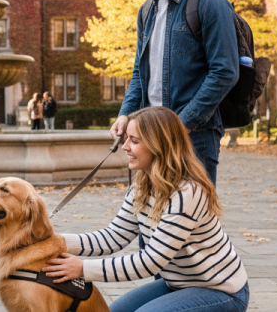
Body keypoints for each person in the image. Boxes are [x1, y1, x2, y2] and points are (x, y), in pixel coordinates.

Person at [43, 106, 249, 312]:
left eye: (134, 141)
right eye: (126, 139)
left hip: (221, 290)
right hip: (178, 284)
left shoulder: (187, 193)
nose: (125, 147)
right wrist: (56, 241)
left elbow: (150, 261)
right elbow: (114, 237)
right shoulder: (142, 186)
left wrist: (83, 269)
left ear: (159, 145)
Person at [109, 0, 239, 185]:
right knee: (150, 212)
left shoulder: (209, 2)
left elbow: (225, 72)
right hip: (149, 136)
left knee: (191, 212)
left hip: (193, 138)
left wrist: (179, 126)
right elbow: (140, 72)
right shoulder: (146, 10)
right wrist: (125, 113)